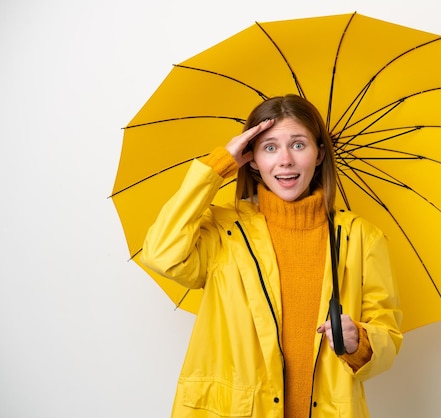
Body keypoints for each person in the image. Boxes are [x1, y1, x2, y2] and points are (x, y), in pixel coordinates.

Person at [141, 95, 403, 418]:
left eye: (298, 145)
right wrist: (218, 165)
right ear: (251, 160)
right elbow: (161, 253)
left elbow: (388, 335)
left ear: (320, 154)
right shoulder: (224, 231)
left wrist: (359, 341)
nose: (285, 161)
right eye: (269, 148)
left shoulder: (363, 238)